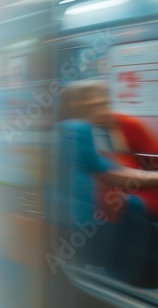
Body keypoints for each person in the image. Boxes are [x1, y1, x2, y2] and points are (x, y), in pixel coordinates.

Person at [52, 81, 158, 282]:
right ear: (77, 105)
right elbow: (111, 173)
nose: (104, 108)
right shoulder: (78, 129)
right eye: (95, 104)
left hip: (72, 219)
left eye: (105, 102)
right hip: (84, 219)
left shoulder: (65, 129)